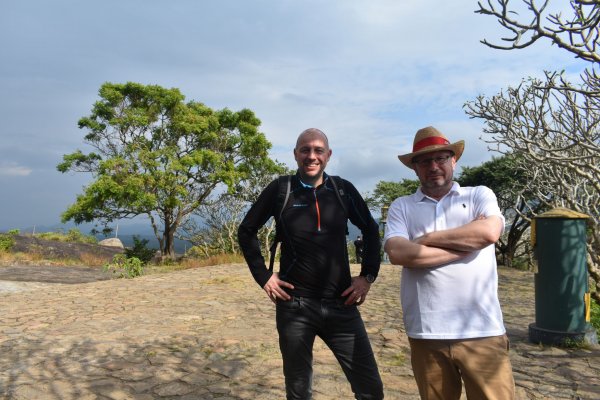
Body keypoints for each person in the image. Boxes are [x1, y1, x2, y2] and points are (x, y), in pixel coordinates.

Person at [238, 128, 384, 400]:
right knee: (298, 390)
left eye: (318, 150)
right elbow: (246, 230)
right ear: (295, 154)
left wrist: (367, 277)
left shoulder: (342, 189)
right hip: (295, 306)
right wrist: (264, 277)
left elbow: (371, 230)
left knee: (371, 389)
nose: (311, 156)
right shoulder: (281, 189)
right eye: (305, 150)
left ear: (328, 155)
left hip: (342, 304)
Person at [383, 126, 515, 400]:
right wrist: (464, 248)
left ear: (453, 160)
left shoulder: (479, 194)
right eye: (424, 161)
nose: (434, 166)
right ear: (414, 168)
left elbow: (488, 233)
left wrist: (427, 238)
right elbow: (398, 253)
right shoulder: (402, 206)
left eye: (441, 158)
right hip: (426, 332)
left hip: (482, 330)